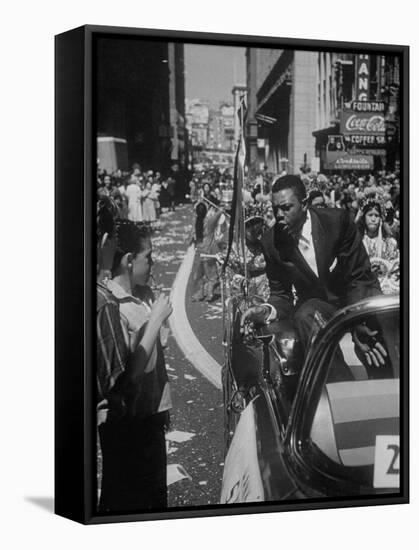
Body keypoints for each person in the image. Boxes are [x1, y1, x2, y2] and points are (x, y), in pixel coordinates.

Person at [241, 175, 386, 371]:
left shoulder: (337, 221)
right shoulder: (271, 242)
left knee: (382, 322)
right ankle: (337, 385)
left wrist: (357, 319)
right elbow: (281, 295)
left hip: (357, 295)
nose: (279, 214)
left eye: (286, 208)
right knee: (305, 315)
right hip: (319, 306)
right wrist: (266, 310)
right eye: (275, 209)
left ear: (304, 204)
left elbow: (359, 277)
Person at [99, 220, 173, 513]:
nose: (152, 264)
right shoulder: (114, 305)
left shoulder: (139, 297)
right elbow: (131, 373)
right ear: (129, 261)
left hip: (149, 417)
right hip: (130, 425)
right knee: (132, 502)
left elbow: (160, 350)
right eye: (148, 258)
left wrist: (163, 409)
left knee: (154, 496)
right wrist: (154, 319)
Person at [356, 196, 399, 295]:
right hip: (365, 288)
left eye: (377, 215)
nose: (373, 219)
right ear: (363, 217)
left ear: (381, 218)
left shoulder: (390, 242)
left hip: (388, 288)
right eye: (370, 215)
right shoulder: (358, 242)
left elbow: (395, 268)